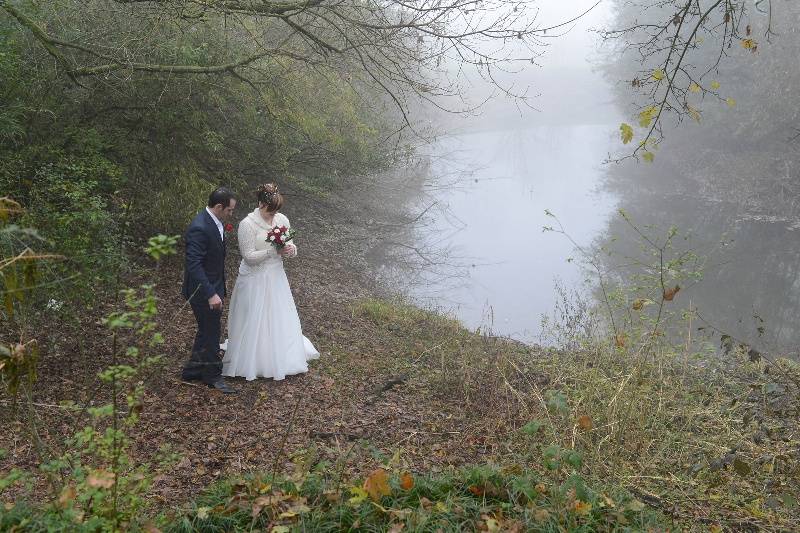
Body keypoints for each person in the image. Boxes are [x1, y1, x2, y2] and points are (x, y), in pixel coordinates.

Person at [222, 183, 319, 380]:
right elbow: (248, 256)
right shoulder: (247, 224)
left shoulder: (282, 219)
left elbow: (290, 244)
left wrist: (291, 250)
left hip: (276, 276)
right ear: (260, 204)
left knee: (278, 314)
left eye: (275, 212)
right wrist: (273, 251)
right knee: (254, 316)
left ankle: (280, 354)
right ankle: (252, 358)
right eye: (269, 212)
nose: (272, 216)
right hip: (254, 278)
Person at [180, 187, 237, 394]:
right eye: (229, 210)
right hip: (202, 291)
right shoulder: (200, 227)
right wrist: (211, 293)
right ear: (219, 207)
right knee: (212, 332)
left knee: (206, 329)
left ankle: (193, 369)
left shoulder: (214, 222)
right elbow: (193, 264)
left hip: (214, 286)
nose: (231, 214)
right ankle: (212, 375)